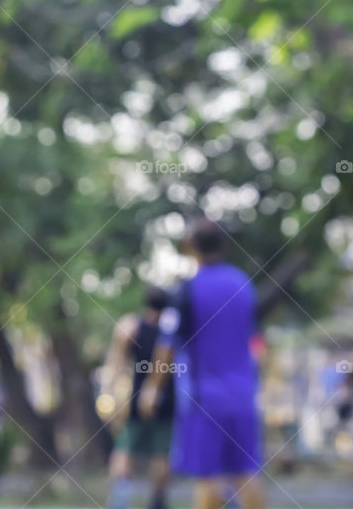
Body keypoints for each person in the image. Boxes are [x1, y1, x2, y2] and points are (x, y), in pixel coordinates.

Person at [140, 218, 266, 509]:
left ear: (189, 248)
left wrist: (152, 388)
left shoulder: (187, 290)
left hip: (204, 400)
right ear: (224, 245)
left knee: (208, 477)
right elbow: (257, 343)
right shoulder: (244, 285)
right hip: (243, 397)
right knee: (245, 473)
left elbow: (167, 346)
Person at [104, 287, 175, 509]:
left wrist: (108, 392)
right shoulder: (172, 329)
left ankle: (120, 502)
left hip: (139, 395)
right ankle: (157, 501)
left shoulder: (131, 327)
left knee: (125, 449)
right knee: (162, 452)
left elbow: (116, 362)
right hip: (167, 397)